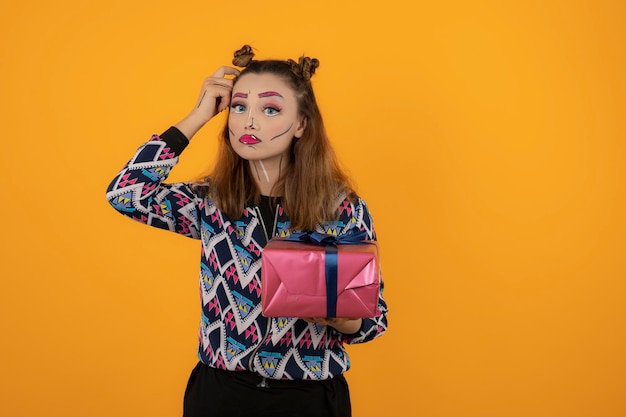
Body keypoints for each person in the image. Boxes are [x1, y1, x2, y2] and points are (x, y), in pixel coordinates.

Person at [106, 45, 388, 417]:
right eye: (239, 107)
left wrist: (336, 315)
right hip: (220, 394)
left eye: (270, 109)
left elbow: (373, 321)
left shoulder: (341, 208)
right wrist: (197, 117)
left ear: (302, 124)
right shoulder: (211, 203)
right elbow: (127, 193)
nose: (249, 122)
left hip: (309, 399)